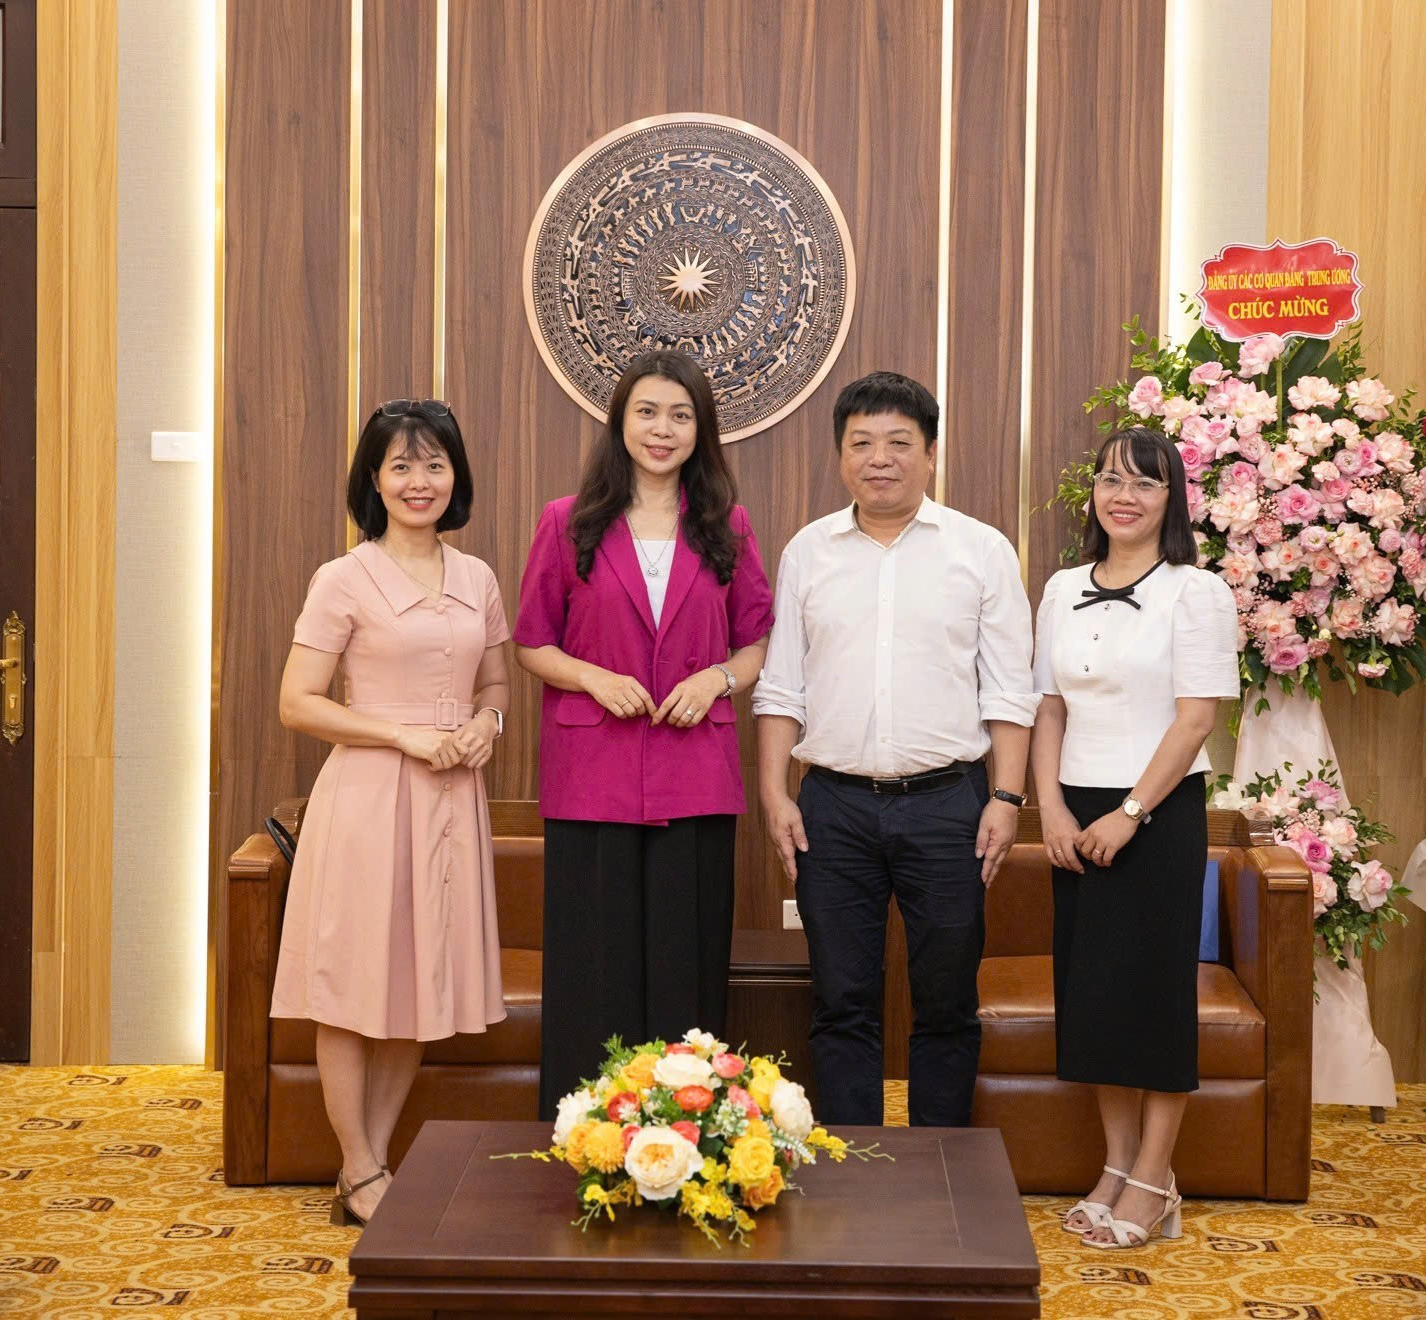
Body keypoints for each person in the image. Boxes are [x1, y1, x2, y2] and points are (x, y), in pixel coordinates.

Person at [753, 371, 1036, 1128]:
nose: (880, 458)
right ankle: (853, 1171)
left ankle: (943, 1173)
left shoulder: (980, 550)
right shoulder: (808, 551)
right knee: (841, 997)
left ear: (931, 453)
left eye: (899, 443)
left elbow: (1010, 691)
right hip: (832, 806)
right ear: (841, 455)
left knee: (945, 998)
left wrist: (1007, 799)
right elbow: (782, 686)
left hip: (950, 803)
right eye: (862, 443)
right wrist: (776, 794)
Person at [514, 350, 774, 1119]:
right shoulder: (568, 521)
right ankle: (585, 1132)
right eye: (648, 412)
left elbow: (756, 642)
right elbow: (533, 641)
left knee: (683, 963)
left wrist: (715, 679)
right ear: (620, 421)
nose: (663, 430)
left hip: (694, 774)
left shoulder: (728, 525)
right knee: (592, 967)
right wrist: (593, 676)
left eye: (681, 415)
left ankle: (690, 1133)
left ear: (702, 431)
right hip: (592, 774)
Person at [270, 400, 510, 1226]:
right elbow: (297, 703)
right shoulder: (343, 578)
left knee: (417, 981)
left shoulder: (476, 576)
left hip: (451, 802)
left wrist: (488, 724)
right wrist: (402, 735)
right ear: (374, 479)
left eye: (435, 464)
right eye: (401, 466)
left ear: (457, 476)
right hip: (369, 801)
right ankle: (363, 1164)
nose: (420, 481)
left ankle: (365, 1169)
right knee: (348, 984)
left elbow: (496, 682)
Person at [1030, 425, 1239, 1249]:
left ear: (1170, 500)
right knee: (1094, 1000)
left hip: (1156, 813)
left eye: (1145, 484)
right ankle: (1115, 1167)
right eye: (1112, 479)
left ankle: (1155, 1180)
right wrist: (1047, 806)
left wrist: (1130, 814)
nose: (1125, 496)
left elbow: (1196, 720)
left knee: (1150, 1002)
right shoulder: (1058, 586)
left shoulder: (1197, 591)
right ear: (1093, 493)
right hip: (1072, 810)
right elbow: (1047, 707)